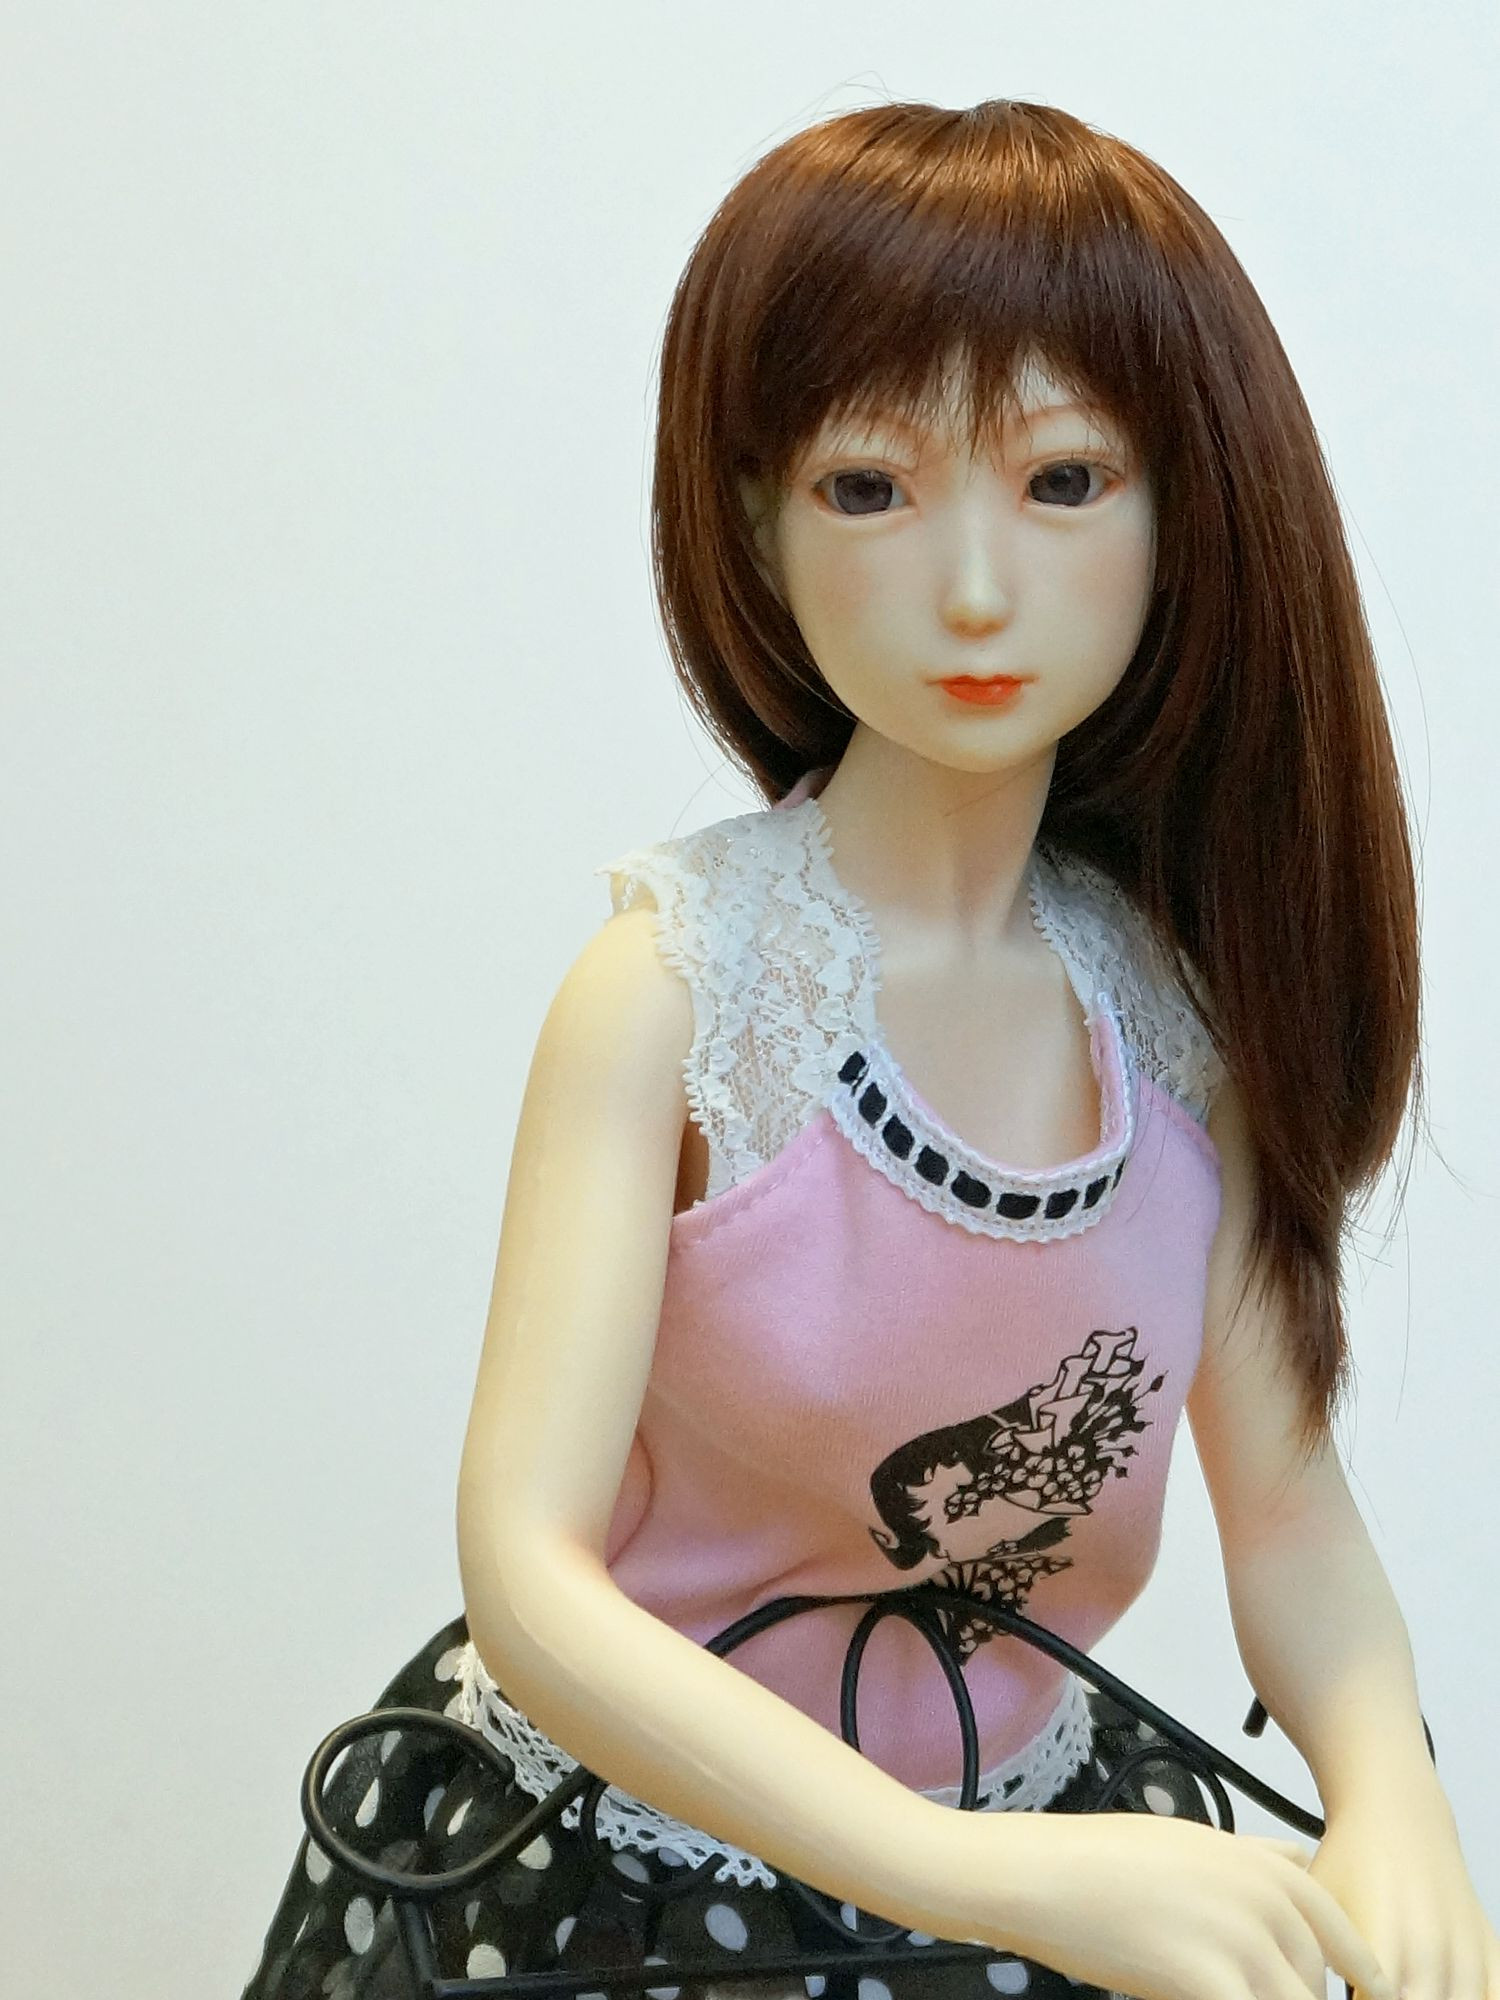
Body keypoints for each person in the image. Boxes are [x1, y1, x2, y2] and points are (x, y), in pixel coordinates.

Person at [240, 96, 1498, 2000]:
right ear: (751, 516)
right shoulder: (677, 1000)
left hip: (1035, 1831)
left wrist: (1393, 1798)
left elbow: (1293, 1507)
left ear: (1190, 512)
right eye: (868, 487)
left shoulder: (1176, 1024)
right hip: (626, 1883)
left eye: (1064, 480)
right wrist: (959, 1875)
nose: (975, 588)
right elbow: (527, 1568)